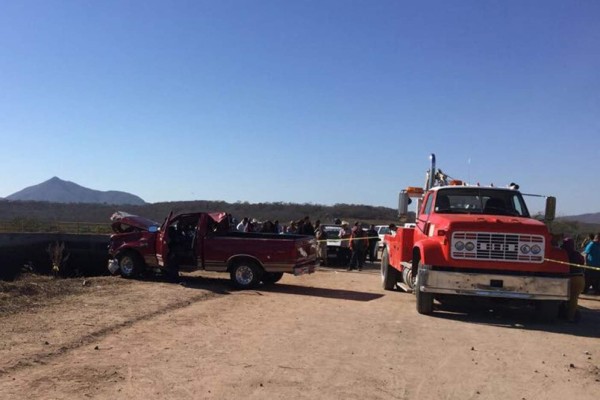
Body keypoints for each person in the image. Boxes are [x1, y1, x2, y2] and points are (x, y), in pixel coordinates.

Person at [560, 238, 585, 322]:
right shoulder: (577, 254)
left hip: (568, 278)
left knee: (564, 298)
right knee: (573, 299)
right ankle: (570, 316)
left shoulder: (563, 253)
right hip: (579, 278)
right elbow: (582, 262)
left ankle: (569, 317)